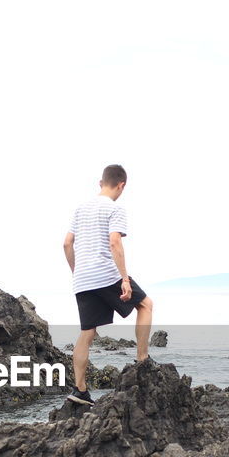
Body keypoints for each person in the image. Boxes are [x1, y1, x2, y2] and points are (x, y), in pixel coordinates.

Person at [62, 164, 154, 406]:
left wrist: (76, 271)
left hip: (82, 279)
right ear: (121, 185)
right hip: (105, 274)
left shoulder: (80, 209)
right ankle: (142, 360)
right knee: (145, 304)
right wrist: (124, 278)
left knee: (87, 332)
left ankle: (80, 390)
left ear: (100, 182)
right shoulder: (115, 209)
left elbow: (67, 244)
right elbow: (114, 242)